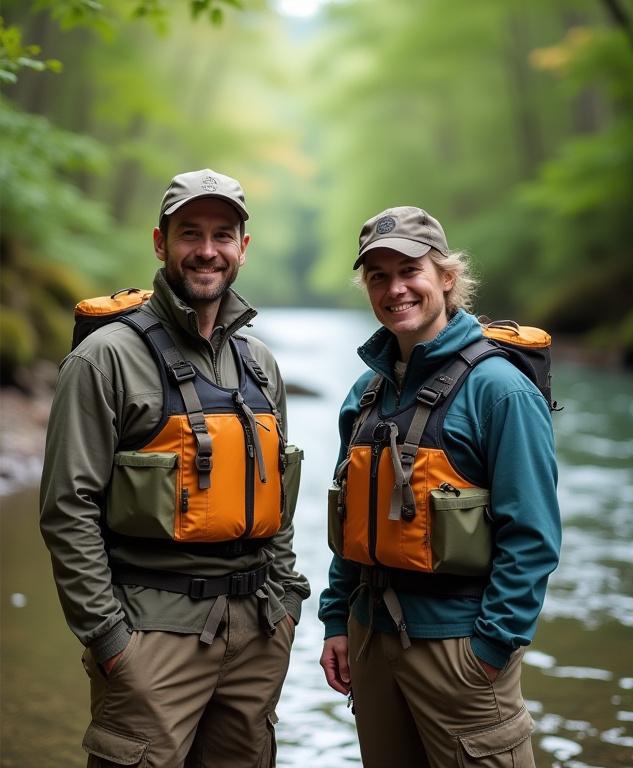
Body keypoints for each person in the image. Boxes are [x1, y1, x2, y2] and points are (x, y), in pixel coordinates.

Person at [40, 168, 310, 768]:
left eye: (222, 235)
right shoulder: (104, 359)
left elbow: (278, 500)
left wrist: (286, 603)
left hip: (257, 635)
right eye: (190, 233)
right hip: (149, 635)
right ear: (160, 243)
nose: (207, 250)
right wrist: (110, 639)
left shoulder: (260, 364)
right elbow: (67, 509)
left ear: (243, 247)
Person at [318, 205, 561, 767]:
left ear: (447, 278)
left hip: (461, 648)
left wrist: (491, 648)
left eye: (410, 271)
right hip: (370, 637)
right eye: (378, 276)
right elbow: (351, 520)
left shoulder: (501, 390)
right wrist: (336, 622)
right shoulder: (366, 393)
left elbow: (533, 537)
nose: (395, 289)